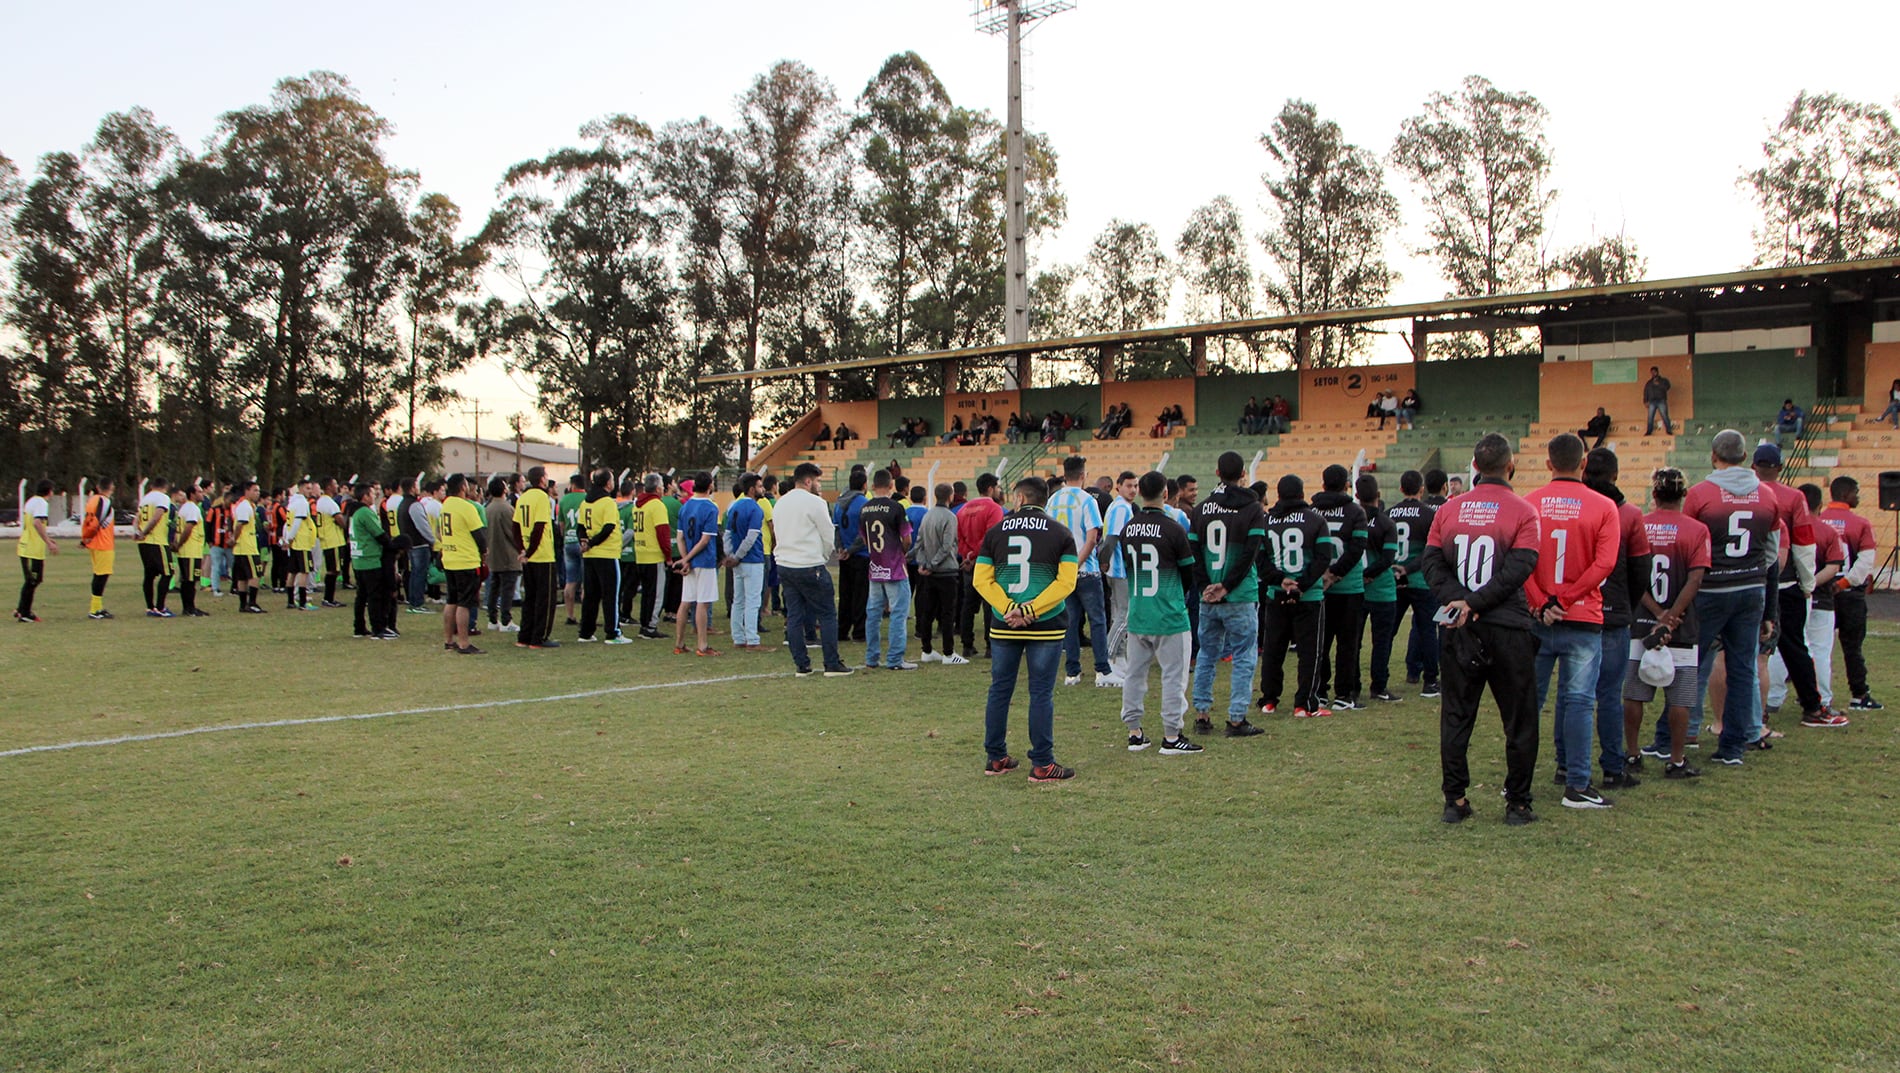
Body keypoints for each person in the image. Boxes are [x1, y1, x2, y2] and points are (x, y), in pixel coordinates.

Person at [1424, 433, 1544, 826]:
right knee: (1520, 719)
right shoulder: (1524, 511)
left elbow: (1431, 564)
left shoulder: (1449, 510)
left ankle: (1454, 800)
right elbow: (1519, 569)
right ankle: (1518, 804)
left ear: (1474, 467)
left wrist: (1461, 601)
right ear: (1510, 466)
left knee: (1456, 715)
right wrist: (1474, 602)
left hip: (1460, 625)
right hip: (1506, 626)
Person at [1649, 430, 1781, 767]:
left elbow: (1686, 540)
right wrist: (1767, 603)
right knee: (1741, 668)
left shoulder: (1702, 494)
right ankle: (1732, 746)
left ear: (1713, 455)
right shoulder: (1767, 496)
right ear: (1745, 456)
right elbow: (1771, 555)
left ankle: (1669, 737)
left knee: (1689, 664)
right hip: (1751, 589)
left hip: (1710, 589)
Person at [1523, 435, 1623, 810]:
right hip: (1582, 616)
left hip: (1538, 618)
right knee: (1579, 702)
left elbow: (1521, 561)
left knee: (1529, 702)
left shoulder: (1529, 503)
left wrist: (1541, 602)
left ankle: (1518, 780)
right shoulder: (1604, 506)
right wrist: (1565, 598)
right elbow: (1604, 564)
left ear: (1548, 464)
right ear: (1583, 464)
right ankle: (1577, 784)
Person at [976, 476, 1080, 781]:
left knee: (1000, 690)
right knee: (1041, 693)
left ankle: (996, 757)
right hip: (1045, 624)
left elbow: (982, 579)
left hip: (1005, 623)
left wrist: (1009, 608)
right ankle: (1043, 763)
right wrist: (1032, 609)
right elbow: (1066, 582)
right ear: (1044, 500)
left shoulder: (995, 532)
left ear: (1019, 499)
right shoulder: (1061, 533)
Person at [1623, 467, 1710, 780]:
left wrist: (1656, 612)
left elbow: (1631, 576)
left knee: (1634, 693)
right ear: (1684, 495)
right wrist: (1672, 615)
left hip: (1641, 622)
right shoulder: (1697, 530)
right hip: (1682, 625)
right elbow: (1696, 577)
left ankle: (1632, 754)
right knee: (1681, 696)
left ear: (1654, 495)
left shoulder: (1640, 526)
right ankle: (1676, 759)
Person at [1114, 471, 1203, 754]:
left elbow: (1129, 568)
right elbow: (1188, 572)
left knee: (1134, 675)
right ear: (1166, 493)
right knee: (1173, 677)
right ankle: (1172, 735)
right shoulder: (1174, 528)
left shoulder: (1129, 528)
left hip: (1139, 611)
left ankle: (1134, 731)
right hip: (1169, 613)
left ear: (1140, 492)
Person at [1581, 448, 1653, 788]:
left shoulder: (1573, 507)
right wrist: (1627, 603)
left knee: (1572, 694)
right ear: (1615, 475)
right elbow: (1642, 568)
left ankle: (1566, 765)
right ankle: (1612, 766)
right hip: (1612, 613)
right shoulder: (1629, 515)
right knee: (1609, 694)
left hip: (1573, 610)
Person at [1189, 451, 1268, 737]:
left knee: (1207, 655)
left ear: (1216, 472)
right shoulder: (1252, 508)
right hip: (1240, 594)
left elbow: (1194, 552)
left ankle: (1202, 714)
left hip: (1208, 595)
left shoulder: (1201, 509)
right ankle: (1236, 718)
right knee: (1244, 655)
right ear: (1244, 474)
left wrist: (1205, 586)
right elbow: (1250, 552)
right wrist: (1228, 585)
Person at [1751, 443, 1828, 728]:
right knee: (1794, 646)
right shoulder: (1793, 497)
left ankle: (1753, 711)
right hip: (1784, 582)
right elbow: (1805, 545)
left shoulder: (1742, 493)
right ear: (1780, 468)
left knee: (1745, 651)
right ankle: (1812, 706)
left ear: (1753, 466)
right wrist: (1808, 582)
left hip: (1745, 582)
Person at [1767, 483, 1847, 723]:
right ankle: (1819, 700)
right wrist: (1808, 585)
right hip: (1803, 591)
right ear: (1819, 505)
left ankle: (1770, 699)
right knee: (1813, 648)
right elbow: (1832, 565)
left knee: (1769, 651)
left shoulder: (1768, 513)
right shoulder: (1825, 530)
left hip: (1761, 585)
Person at [1257, 474, 1335, 718]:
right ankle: (1304, 704)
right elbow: (1323, 557)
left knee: (1273, 649)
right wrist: (1302, 583)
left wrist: (1279, 579)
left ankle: (1269, 700)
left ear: (1278, 494)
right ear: (1302, 493)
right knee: (1310, 652)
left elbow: (1260, 559)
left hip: (1276, 593)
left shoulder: (1266, 520)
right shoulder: (1316, 520)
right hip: (1308, 596)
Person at [774, 463, 852, 677]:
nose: (819, 485)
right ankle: (831, 663)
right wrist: (824, 555)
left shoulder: (781, 503)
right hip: (808, 563)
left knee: (795, 615)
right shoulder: (815, 503)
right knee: (826, 613)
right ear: (808, 481)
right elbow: (827, 534)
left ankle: (802, 664)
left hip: (785, 563)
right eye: (817, 481)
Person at [1048, 455, 1115, 687]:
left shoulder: (1053, 500)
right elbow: (1092, 537)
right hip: (1086, 569)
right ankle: (1102, 670)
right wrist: (1077, 563)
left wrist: (1063, 567)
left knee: (1071, 621)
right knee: (1097, 620)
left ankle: (1072, 672)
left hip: (1062, 571)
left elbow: (1050, 537)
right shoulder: (1087, 500)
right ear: (1083, 475)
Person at [1311, 465, 1370, 709]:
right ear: (1347, 484)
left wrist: (1323, 574)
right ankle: (1345, 694)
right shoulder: (1355, 511)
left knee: (1320, 644)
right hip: (1349, 587)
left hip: (1318, 587)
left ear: (1323, 484)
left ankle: (1320, 691)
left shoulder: (1312, 510)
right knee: (1348, 644)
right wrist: (1336, 574)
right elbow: (1357, 550)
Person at [1819, 477, 1880, 709]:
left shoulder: (1819, 520)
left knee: (1817, 646)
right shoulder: (1860, 524)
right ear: (1846, 495)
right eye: (1856, 492)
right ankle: (1859, 694)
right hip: (1849, 593)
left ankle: (1811, 692)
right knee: (1852, 647)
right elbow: (1864, 564)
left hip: (1821, 591)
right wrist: (1844, 583)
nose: (1859, 496)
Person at [852, 468, 915, 669]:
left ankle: (872, 658)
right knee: (898, 613)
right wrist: (901, 552)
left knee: (873, 613)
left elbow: (864, 537)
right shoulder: (896, 507)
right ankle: (895, 659)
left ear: (872, 486)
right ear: (891, 486)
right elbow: (907, 538)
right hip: (895, 566)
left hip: (875, 566)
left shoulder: (865, 509)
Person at [1388, 471, 1440, 697]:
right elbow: (1430, 550)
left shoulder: (1389, 513)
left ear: (1401, 489)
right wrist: (1409, 568)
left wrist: (1397, 567)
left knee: (1388, 632)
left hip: (1394, 579)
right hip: (1420, 580)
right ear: (1421, 489)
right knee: (1428, 630)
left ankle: (1380, 679)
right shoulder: (1429, 514)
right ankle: (1430, 681)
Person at [1357, 475, 1403, 703]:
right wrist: (1371, 575)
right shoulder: (1386, 523)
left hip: (1356, 588)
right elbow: (1387, 559)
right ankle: (1379, 686)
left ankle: (1351, 686)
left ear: (1356, 497)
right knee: (1382, 641)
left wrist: (1361, 575)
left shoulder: (1352, 520)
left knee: (1353, 641)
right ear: (1379, 496)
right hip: (1382, 589)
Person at [435, 473, 487, 654]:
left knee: (452, 601)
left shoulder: (445, 505)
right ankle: (464, 642)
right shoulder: (466, 507)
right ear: (463, 487)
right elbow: (479, 535)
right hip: (466, 559)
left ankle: (449, 640)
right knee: (464, 603)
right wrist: (484, 552)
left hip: (450, 557)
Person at [575, 469, 629, 645]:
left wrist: (584, 542)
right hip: (607, 553)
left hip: (590, 556)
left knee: (591, 594)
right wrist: (591, 543)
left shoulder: (586, 502)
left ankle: (586, 631)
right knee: (610, 595)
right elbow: (608, 528)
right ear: (607, 483)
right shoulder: (607, 502)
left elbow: (580, 526)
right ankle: (613, 632)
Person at [957, 472, 1006, 660]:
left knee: (968, 604)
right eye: (998, 488)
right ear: (991, 488)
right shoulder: (994, 509)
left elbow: (959, 537)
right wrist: (976, 555)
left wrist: (967, 556)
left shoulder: (963, 509)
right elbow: (991, 537)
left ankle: (967, 644)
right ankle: (990, 645)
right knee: (989, 604)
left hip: (969, 563)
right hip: (987, 562)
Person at [914, 482, 964, 665]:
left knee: (928, 611)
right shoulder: (950, 517)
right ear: (950, 496)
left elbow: (919, 542)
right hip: (945, 571)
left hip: (930, 573)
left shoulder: (928, 516)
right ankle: (948, 653)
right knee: (947, 613)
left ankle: (926, 650)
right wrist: (933, 564)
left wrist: (923, 563)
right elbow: (947, 545)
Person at [674, 472, 722, 657]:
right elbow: (705, 539)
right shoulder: (710, 507)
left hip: (690, 560)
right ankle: (702, 645)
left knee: (685, 601)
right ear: (710, 485)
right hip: (705, 560)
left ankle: (679, 643)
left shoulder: (685, 507)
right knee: (703, 603)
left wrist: (685, 558)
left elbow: (680, 537)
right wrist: (688, 559)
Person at [1099, 471, 1139, 683]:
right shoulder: (1121, 508)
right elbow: (1112, 538)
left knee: (1119, 614)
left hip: (1118, 569)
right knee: (1125, 615)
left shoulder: (1120, 506)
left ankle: (1119, 657)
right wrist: (1104, 561)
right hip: (1119, 570)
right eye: (1129, 486)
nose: (1133, 490)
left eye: (1135, 486)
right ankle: (1107, 658)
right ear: (1118, 487)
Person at [514, 467, 560, 649]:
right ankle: (539, 637)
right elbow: (540, 526)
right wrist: (531, 551)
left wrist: (522, 549)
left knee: (530, 598)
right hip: (542, 555)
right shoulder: (542, 497)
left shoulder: (523, 497)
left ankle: (524, 635)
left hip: (528, 555)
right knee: (546, 599)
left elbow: (516, 526)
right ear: (542, 480)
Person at [350, 480, 402, 639]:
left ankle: (359, 627)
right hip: (369, 558)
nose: (375, 496)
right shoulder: (365, 512)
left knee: (362, 595)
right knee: (375, 595)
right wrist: (391, 546)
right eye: (372, 493)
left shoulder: (354, 512)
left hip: (358, 558)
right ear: (365, 496)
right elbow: (378, 534)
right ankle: (378, 628)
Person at [723, 474, 768, 651]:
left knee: (738, 600)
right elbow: (751, 536)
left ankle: (738, 637)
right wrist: (738, 556)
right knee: (753, 601)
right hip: (752, 560)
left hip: (738, 561)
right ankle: (752, 639)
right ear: (751, 489)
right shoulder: (756, 509)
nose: (762, 489)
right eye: (759, 486)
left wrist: (731, 555)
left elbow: (727, 534)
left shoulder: (734, 507)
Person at [626, 474, 672, 640]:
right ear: (659, 488)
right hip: (654, 554)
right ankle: (649, 626)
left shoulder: (637, 505)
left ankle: (645, 624)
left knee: (647, 593)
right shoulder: (656, 505)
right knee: (656, 593)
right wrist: (668, 555)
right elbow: (662, 532)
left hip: (641, 552)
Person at [833, 469, 870, 642]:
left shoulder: (838, 503)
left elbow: (837, 529)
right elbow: (865, 533)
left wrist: (841, 548)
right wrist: (852, 549)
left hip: (844, 555)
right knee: (860, 595)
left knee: (845, 594)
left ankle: (841, 630)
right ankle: (859, 631)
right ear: (864, 484)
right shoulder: (865, 503)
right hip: (860, 554)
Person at [15, 478, 56, 622]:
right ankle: (25, 613)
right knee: (33, 580)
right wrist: (48, 543)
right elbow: (37, 523)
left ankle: (21, 609)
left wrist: (48, 539)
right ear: (49, 491)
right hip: (32, 549)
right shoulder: (41, 503)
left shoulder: (32, 500)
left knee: (33, 580)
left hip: (27, 546)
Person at [485, 475, 522, 634]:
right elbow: (513, 533)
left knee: (494, 587)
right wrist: (521, 548)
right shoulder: (506, 508)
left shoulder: (487, 508)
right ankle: (506, 620)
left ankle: (493, 619)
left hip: (493, 554)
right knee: (507, 589)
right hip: (507, 554)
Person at [135, 477, 174, 618]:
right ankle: (160, 607)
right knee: (168, 572)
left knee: (149, 575)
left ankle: (150, 607)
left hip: (143, 542)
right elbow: (157, 516)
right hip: (157, 541)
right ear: (166, 486)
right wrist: (145, 531)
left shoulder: (145, 498)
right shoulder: (163, 498)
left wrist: (137, 532)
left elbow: (137, 517)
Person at [170, 482, 208, 618]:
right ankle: (189, 608)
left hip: (188, 550)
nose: (202, 494)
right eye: (199, 492)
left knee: (187, 580)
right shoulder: (192, 508)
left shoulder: (184, 507)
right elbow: (188, 528)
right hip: (190, 549)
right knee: (190, 581)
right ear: (192, 494)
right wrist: (179, 544)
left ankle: (189, 607)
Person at [400, 479, 436, 615]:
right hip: (419, 544)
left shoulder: (402, 504)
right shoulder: (414, 505)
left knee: (415, 573)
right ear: (412, 488)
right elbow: (423, 526)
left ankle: (413, 601)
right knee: (419, 574)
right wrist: (432, 540)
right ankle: (417, 603)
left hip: (410, 544)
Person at [230, 481, 265, 615]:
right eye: (255, 490)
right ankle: (252, 603)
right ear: (247, 491)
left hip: (241, 548)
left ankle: (243, 604)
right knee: (255, 574)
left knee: (242, 577)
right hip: (247, 546)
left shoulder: (245, 505)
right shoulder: (245, 506)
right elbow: (240, 525)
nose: (258, 493)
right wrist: (234, 538)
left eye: (258, 491)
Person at [281, 479, 316, 611]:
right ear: (300, 489)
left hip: (295, 542)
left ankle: (290, 601)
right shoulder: (302, 503)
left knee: (292, 571)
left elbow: (287, 523)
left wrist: (287, 539)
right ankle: (302, 602)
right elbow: (297, 523)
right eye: (307, 488)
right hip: (302, 542)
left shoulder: (292, 503)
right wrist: (289, 538)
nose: (310, 491)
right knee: (304, 571)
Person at [557, 473, 587, 627]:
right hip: (583, 543)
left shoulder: (563, 500)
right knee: (585, 582)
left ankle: (570, 615)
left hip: (568, 541)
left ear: (572, 485)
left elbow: (561, 525)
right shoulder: (587, 499)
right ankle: (586, 616)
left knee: (570, 581)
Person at [314, 481, 346, 608]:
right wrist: (345, 527)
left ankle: (328, 598)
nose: (337, 486)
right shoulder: (329, 503)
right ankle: (328, 598)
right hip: (333, 539)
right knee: (334, 570)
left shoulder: (321, 501)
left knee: (332, 569)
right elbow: (339, 518)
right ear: (328, 487)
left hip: (326, 538)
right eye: (335, 484)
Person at [203, 488, 233, 598]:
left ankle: (235, 588)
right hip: (216, 543)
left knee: (233, 565)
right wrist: (209, 540)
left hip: (229, 544)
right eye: (229, 500)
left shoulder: (233, 510)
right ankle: (216, 588)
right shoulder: (214, 510)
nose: (231, 502)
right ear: (224, 499)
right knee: (216, 566)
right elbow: (208, 525)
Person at [1643, 366, 1674, 435]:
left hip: (1661, 400)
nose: (1653, 374)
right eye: (1651, 372)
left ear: (1657, 372)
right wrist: (1645, 401)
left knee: (1664, 415)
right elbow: (1646, 391)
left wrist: (1659, 385)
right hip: (1652, 401)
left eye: (1654, 372)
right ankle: (1649, 431)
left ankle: (1669, 430)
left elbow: (1667, 387)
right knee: (1650, 417)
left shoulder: (1663, 380)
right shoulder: (1649, 382)